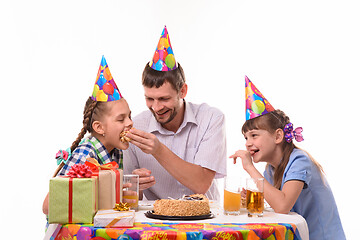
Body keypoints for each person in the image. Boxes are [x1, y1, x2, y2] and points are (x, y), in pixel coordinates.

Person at [229, 76, 345, 239]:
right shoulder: (271, 169)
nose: (248, 144)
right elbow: (278, 207)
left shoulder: (300, 160)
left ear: (278, 136)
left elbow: (282, 205)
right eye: (246, 138)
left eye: (254, 135)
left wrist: (250, 168)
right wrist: (253, 198)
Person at [124, 26, 226, 200]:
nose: (156, 107)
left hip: (205, 220)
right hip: (157, 222)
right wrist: (135, 185)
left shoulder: (211, 118)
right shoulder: (136, 127)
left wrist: (158, 150)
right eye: (149, 99)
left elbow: (201, 184)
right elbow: (129, 195)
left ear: (183, 91)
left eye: (164, 99)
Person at [42, 56, 133, 214]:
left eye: (129, 116)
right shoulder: (86, 152)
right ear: (99, 127)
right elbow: (48, 206)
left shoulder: (116, 152)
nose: (130, 123)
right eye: (121, 119)